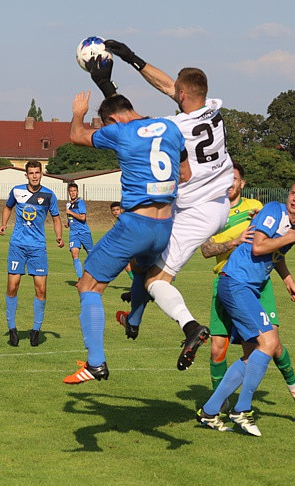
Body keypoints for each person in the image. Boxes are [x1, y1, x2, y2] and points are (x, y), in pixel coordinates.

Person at [103, 40, 234, 371]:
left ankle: (191, 328)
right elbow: (168, 86)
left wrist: (106, 86)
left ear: (183, 93)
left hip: (198, 210)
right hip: (209, 201)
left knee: (156, 281)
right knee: (142, 260)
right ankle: (133, 319)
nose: (172, 90)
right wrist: (133, 59)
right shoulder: (213, 110)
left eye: (177, 89)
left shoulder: (178, 127)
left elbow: (130, 122)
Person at [62, 90, 188, 384]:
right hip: (164, 226)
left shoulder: (119, 131)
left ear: (113, 119)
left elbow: (77, 136)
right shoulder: (170, 127)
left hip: (135, 224)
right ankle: (133, 321)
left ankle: (95, 363)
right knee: (141, 270)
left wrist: (79, 112)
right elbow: (186, 173)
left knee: (88, 286)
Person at [196, 179, 295, 436]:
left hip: (248, 288)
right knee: (269, 343)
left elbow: (276, 255)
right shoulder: (273, 210)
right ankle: (242, 409)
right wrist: (289, 237)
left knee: (254, 354)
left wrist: (289, 281)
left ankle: (209, 411)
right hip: (236, 283)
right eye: (293, 193)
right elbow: (259, 246)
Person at [0, 161, 64, 347]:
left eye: (37, 172)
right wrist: (4, 224)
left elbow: (56, 218)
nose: (34, 176)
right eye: (31, 173)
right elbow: (8, 207)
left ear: (42, 174)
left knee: (41, 289)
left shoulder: (49, 195)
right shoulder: (17, 191)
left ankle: (36, 330)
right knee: (12, 287)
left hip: (38, 248)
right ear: (26, 175)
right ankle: (12, 329)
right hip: (17, 246)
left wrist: (59, 236)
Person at [64, 182, 94, 280]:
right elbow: (71, 217)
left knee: (92, 255)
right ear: (68, 192)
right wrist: (69, 222)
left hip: (83, 232)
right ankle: (81, 279)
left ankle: (97, 275)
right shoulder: (68, 204)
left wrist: (70, 212)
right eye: (71, 191)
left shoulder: (80, 203)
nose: (73, 193)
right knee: (74, 254)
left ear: (77, 192)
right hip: (73, 233)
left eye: (74, 191)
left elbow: (82, 217)